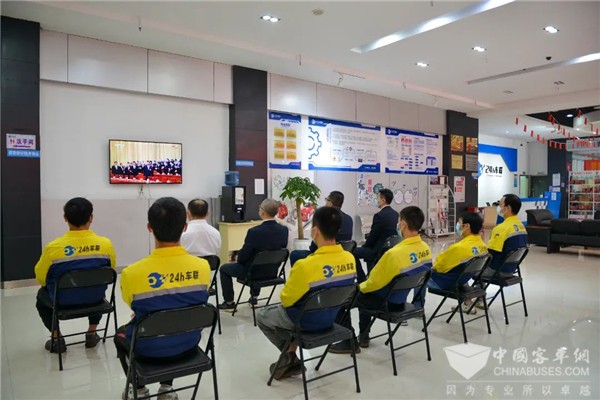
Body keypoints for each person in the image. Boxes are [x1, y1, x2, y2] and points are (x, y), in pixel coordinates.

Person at [114, 197, 211, 400]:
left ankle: (139, 388)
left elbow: (132, 305)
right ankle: (166, 389)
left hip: (147, 348)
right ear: (184, 227)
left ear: (149, 228)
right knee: (174, 322)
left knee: (120, 335)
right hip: (188, 343)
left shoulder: (131, 273)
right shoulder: (203, 267)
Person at [256, 206, 356, 380]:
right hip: (331, 318)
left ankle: (288, 357)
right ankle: (290, 357)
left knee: (263, 316)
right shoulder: (350, 258)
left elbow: (286, 300)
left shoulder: (305, 265)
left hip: (304, 322)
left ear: (315, 231)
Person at [330, 206, 432, 354]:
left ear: (403, 224)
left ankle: (349, 341)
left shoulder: (394, 254)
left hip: (385, 302)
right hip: (401, 299)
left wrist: (358, 288)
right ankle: (363, 336)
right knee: (364, 294)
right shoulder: (426, 248)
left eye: (399, 221)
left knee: (341, 298)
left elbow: (373, 283)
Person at [34, 197, 116, 353]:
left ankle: (57, 339)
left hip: (62, 301)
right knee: (97, 285)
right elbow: (109, 272)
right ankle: (91, 333)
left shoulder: (53, 248)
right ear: (91, 217)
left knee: (41, 298)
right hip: (95, 299)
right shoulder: (106, 245)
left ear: (65, 218)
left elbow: (41, 278)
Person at [218, 198, 289, 310]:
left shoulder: (254, 232)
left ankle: (229, 302)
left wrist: (238, 259)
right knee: (259, 261)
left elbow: (243, 257)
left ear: (262, 211)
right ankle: (254, 297)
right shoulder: (284, 230)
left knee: (224, 269)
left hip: (252, 273)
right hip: (273, 272)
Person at [419, 212, 488, 314]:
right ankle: (468, 304)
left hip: (445, 282)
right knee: (462, 268)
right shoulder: (483, 246)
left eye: (459, 223)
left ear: (467, 226)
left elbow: (438, 266)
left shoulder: (458, 248)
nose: (458, 226)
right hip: (462, 279)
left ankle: (417, 307)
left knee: (418, 275)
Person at [289, 190, 353, 266]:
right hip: (342, 254)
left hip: (325, 256)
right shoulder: (349, 219)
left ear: (330, 203)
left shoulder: (325, 218)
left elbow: (314, 247)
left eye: (326, 200)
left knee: (295, 254)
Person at [354, 188, 399, 282]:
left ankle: (362, 279)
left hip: (376, 250)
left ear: (383, 200)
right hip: (388, 247)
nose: (376, 200)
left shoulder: (379, 215)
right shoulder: (395, 214)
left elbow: (373, 236)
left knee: (353, 252)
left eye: (377, 198)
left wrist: (365, 246)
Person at [488, 194, 528, 273]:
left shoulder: (501, 228)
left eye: (500, 205)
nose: (498, 207)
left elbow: (491, 253)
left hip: (496, 270)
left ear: (508, 208)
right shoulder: (522, 226)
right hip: (512, 268)